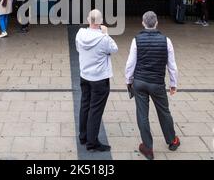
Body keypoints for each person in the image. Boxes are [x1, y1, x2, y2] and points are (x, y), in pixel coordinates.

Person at [125, 11, 180, 160]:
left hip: (140, 82)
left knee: (142, 115)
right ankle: (172, 140)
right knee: (164, 112)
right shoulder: (166, 40)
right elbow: (172, 66)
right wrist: (173, 83)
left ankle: (148, 148)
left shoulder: (136, 40)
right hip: (157, 84)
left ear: (143, 23)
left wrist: (129, 80)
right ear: (156, 23)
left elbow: (130, 64)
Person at [76, 9, 118, 152]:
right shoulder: (103, 38)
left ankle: (83, 136)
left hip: (85, 75)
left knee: (85, 105)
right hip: (99, 78)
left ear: (88, 20)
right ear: (100, 22)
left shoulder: (80, 34)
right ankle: (92, 142)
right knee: (95, 110)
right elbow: (114, 49)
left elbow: (78, 49)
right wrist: (105, 32)